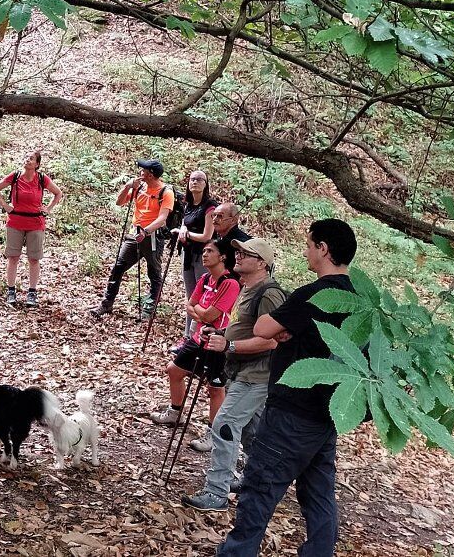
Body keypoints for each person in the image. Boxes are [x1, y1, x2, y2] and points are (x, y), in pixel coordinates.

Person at [217, 219, 357, 557]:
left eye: (310, 245)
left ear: (324, 249)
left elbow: (265, 326)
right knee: (319, 495)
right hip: (327, 415)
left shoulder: (316, 294)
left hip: (292, 414)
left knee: (259, 491)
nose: (307, 252)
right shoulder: (361, 301)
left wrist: (281, 330)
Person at [182, 238, 286, 512]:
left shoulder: (269, 294)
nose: (238, 256)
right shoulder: (249, 288)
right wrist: (220, 335)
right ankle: (257, 478)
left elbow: (272, 341)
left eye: (246, 253)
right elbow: (245, 328)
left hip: (256, 375)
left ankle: (217, 493)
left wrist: (229, 345)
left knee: (224, 424)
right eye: (238, 251)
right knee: (252, 432)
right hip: (241, 371)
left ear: (262, 263)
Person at [149, 240, 240, 442]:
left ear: (223, 256)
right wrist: (202, 314)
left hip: (217, 342)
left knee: (215, 388)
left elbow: (209, 315)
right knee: (174, 370)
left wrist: (201, 313)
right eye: (204, 250)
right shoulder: (206, 278)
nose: (205, 254)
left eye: (210, 251)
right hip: (198, 338)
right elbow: (190, 305)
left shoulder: (230, 283)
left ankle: (212, 434)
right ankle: (175, 412)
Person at [90, 159, 174, 317]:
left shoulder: (166, 192)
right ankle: (106, 304)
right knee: (118, 267)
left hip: (152, 236)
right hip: (134, 235)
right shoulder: (139, 187)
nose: (141, 172)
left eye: (144, 170)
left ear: (150, 174)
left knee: (154, 273)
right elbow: (120, 201)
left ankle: (149, 308)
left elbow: (162, 218)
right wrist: (128, 186)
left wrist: (146, 231)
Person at [0, 151, 63, 307]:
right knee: (13, 257)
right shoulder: (15, 176)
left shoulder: (42, 179)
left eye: (31, 159)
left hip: (36, 223)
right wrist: (5, 205)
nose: (27, 160)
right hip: (15, 221)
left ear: (37, 164)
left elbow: (58, 193)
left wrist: (48, 209)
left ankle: (32, 292)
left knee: (33, 259)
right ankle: (11, 290)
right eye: (26, 157)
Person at [175, 170, 219, 299]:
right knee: (190, 294)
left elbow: (207, 236)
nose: (195, 182)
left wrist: (186, 234)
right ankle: (190, 320)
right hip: (188, 252)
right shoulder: (188, 205)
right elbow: (185, 222)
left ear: (205, 184)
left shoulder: (210, 206)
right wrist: (183, 228)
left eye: (199, 179)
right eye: (192, 179)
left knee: (202, 294)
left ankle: (201, 319)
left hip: (204, 255)